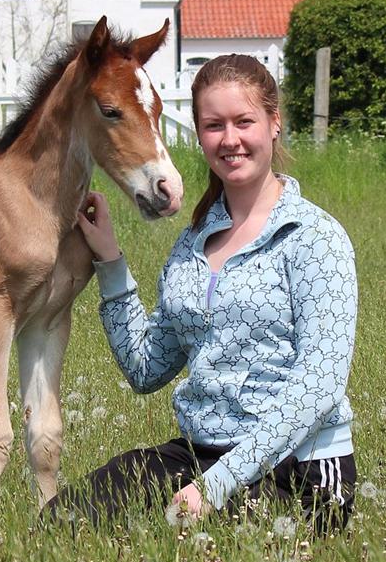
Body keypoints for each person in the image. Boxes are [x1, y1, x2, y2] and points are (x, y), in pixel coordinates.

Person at [45, 54, 358, 535]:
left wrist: (216, 486)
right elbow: (146, 369)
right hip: (199, 453)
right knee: (62, 523)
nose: (230, 139)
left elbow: (317, 388)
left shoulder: (315, 237)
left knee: (202, 545)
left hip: (301, 467)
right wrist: (110, 262)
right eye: (214, 125)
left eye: (244, 122)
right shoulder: (192, 244)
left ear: (274, 124)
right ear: (199, 134)